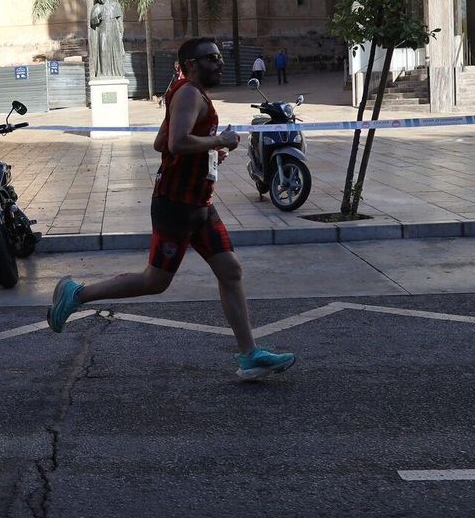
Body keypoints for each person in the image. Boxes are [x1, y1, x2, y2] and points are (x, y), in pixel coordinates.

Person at [46, 37, 297, 381]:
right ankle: (77, 294)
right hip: (177, 205)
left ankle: (249, 355)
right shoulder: (189, 93)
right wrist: (220, 140)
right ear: (191, 64)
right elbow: (177, 143)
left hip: (200, 204)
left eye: (220, 57)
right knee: (155, 281)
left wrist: (209, 151)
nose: (220, 63)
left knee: (230, 270)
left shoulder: (186, 93)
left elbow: (160, 142)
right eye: (212, 58)